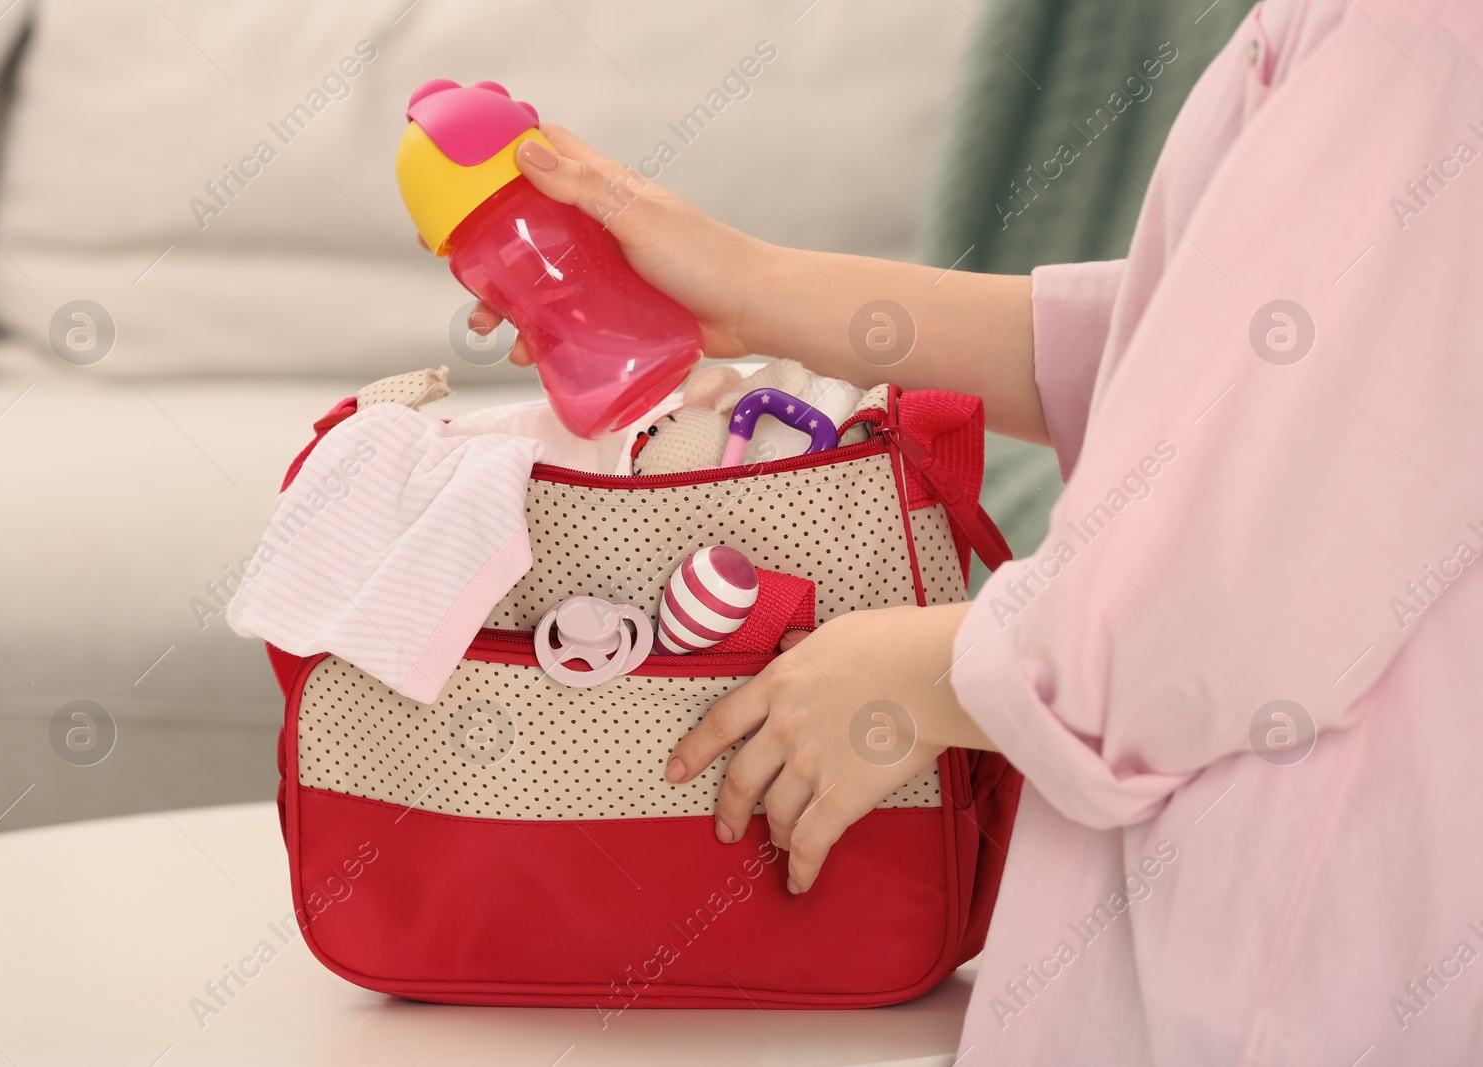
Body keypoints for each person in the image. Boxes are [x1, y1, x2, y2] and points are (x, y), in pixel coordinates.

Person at [471, 0, 1483, 1059]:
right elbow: (1213, 348)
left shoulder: (1412, 36)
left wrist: (918, 670)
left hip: (1299, 973)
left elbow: (1220, 601)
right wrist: (757, 289)